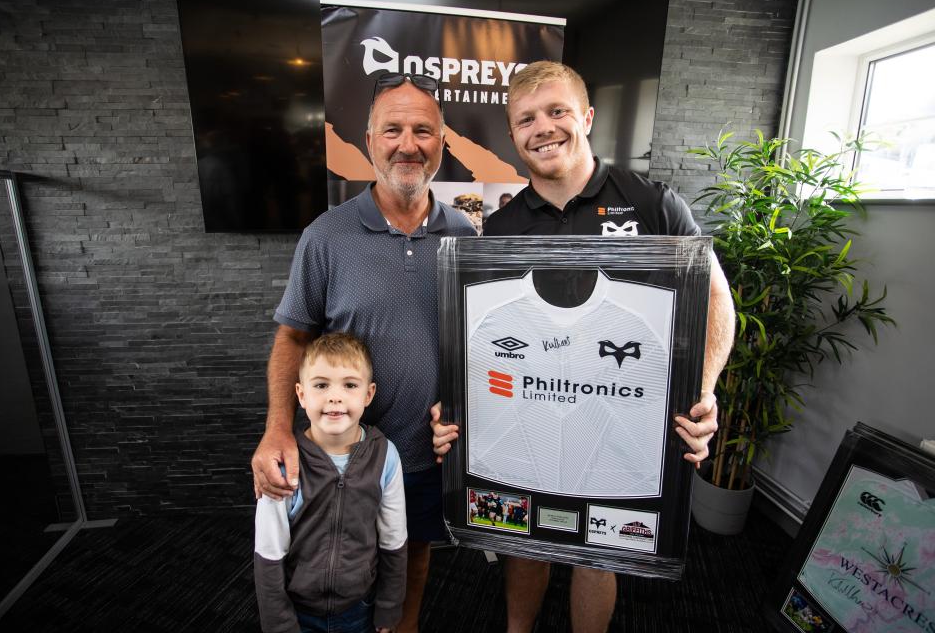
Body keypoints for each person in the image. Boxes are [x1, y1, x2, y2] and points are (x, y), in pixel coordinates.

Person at [431, 61, 736, 633]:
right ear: (513, 133)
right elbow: (483, 338)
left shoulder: (653, 205)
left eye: (557, 112)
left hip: (621, 421)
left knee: (599, 550)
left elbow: (716, 298)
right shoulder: (499, 230)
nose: (543, 128)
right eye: (526, 120)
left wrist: (701, 393)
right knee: (524, 542)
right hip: (532, 413)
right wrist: (457, 408)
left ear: (587, 117)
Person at [251, 72, 477, 633]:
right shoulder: (326, 237)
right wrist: (278, 428)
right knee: (330, 557)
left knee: (411, 554)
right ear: (369, 140)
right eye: (392, 129)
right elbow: (292, 339)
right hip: (338, 453)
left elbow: (483, 344)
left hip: (426, 453)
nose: (408, 144)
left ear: (442, 142)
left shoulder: (467, 239)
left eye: (423, 130)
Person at [254, 333, 406, 633]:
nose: (335, 397)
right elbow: (268, 553)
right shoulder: (284, 464)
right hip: (298, 612)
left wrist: (389, 608)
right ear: (301, 394)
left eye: (349, 385)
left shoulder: (385, 456)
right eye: (321, 385)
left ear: (368, 394)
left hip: (358, 608)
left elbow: (394, 540)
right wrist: (280, 626)